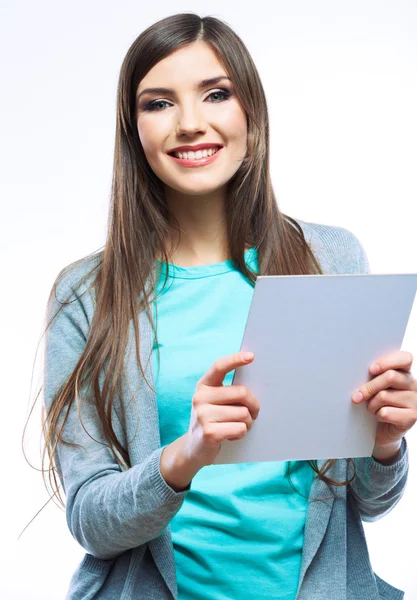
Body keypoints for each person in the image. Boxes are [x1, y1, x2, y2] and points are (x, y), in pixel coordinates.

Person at [42, 12, 416, 600]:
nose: (191, 124)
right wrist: (183, 458)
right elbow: (91, 520)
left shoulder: (330, 257)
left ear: (250, 112)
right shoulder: (86, 295)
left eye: (216, 94)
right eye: (158, 103)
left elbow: (369, 502)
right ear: (132, 128)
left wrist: (386, 440)